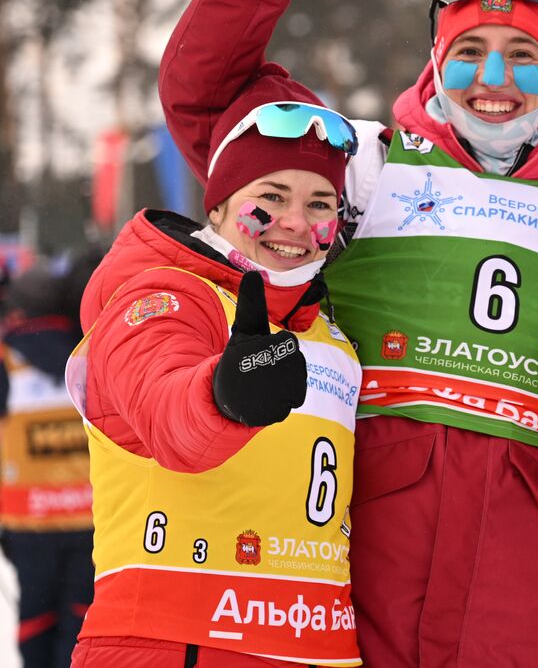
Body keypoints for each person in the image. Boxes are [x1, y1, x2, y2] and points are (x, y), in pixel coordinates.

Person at [158, 0, 538, 667]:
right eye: (470, 52)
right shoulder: (364, 164)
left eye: (523, 56)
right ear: (435, 62)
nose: (496, 79)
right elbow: (211, 106)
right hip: (366, 528)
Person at [68, 91, 362, 666]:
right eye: (271, 197)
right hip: (177, 640)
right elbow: (165, 408)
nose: (296, 223)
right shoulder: (165, 296)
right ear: (220, 209)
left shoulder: (331, 335)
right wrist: (222, 396)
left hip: (318, 645)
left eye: (320, 203)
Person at [1, 262, 91, 668]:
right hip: (91, 521)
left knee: (36, 623)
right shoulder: (90, 355)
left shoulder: (6, 361)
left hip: (28, 523)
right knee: (81, 625)